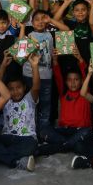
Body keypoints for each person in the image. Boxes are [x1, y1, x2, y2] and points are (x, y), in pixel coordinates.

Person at [24, 9, 69, 142]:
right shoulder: (28, 35)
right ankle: (30, 131)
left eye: (42, 19)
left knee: (45, 104)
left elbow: (66, 31)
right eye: (36, 20)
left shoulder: (50, 35)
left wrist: (50, 20)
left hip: (46, 75)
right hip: (29, 74)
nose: (40, 22)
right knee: (31, 104)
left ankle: (44, 132)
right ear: (31, 23)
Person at [36, 48, 92, 155]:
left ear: (81, 81)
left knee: (88, 132)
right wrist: (55, 61)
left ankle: (57, 147)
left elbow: (85, 74)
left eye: (76, 79)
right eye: (69, 80)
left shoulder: (85, 93)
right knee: (44, 131)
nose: (73, 83)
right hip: (64, 131)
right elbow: (58, 77)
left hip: (80, 130)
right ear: (66, 82)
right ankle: (69, 144)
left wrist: (80, 59)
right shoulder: (63, 93)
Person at [0, 52, 41, 171]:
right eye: (11, 89)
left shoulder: (29, 99)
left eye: (18, 87)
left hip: (26, 138)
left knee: (32, 145)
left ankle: (2, 156)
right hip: (7, 137)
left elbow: (36, 86)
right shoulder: (5, 99)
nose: (15, 91)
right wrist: (3, 65)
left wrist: (34, 66)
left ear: (24, 87)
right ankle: (17, 161)